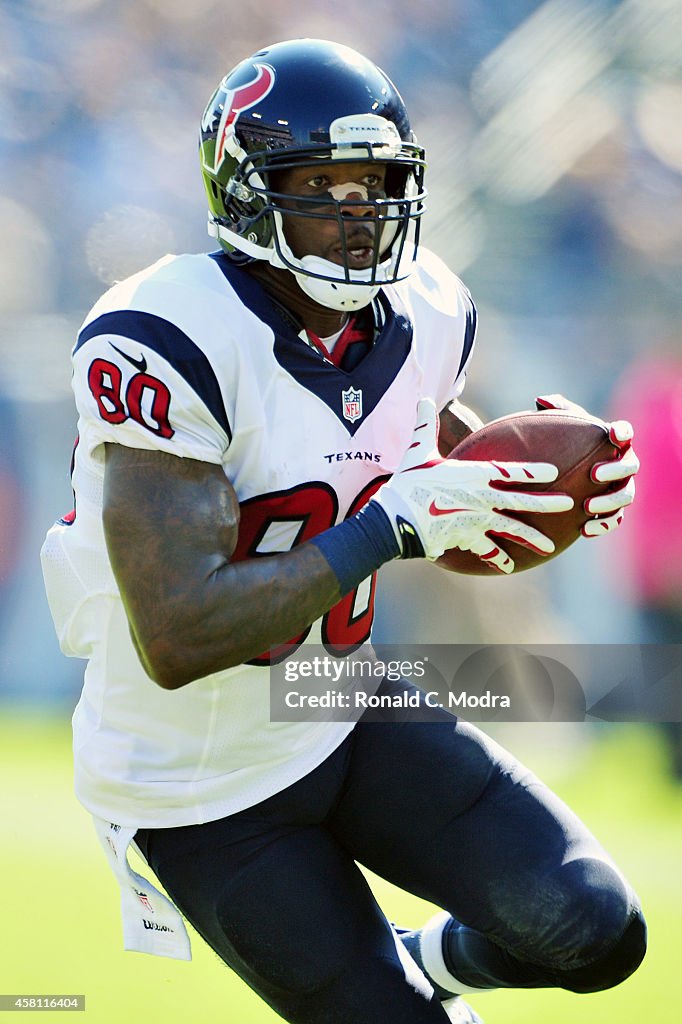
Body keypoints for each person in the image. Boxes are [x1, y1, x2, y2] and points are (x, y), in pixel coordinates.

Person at [41, 38, 645, 1024]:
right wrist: (385, 529)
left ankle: (418, 963)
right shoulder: (168, 333)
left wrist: (552, 486)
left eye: (376, 184)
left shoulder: (429, 309)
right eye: (319, 183)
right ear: (245, 192)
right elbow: (177, 634)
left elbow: (452, 496)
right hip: (195, 780)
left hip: (340, 696)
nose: (357, 214)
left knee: (593, 928)